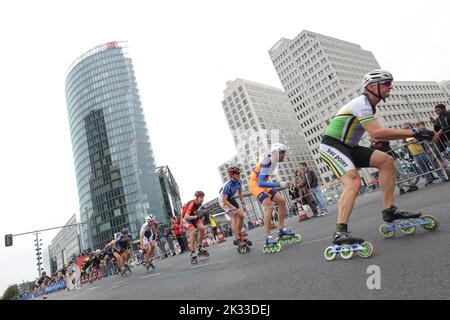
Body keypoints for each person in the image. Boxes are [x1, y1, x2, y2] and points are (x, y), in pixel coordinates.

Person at [319, 69, 436, 244]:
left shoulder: (369, 105)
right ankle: (339, 232)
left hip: (349, 146)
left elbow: (372, 133)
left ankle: (389, 211)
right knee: (353, 181)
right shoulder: (361, 103)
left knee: (386, 161)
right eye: (387, 83)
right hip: (332, 145)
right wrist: (413, 133)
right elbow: (377, 132)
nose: (391, 86)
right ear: (373, 86)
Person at [249, 143, 296, 247]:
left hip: (263, 183)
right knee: (269, 206)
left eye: (284, 153)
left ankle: (282, 229)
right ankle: (267, 236)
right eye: (282, 153)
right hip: (255, 184)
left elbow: (264, 179)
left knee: (282, 201)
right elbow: (260, 183)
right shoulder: (266, 161)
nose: (284, 155)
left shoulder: (273, 161)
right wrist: (279, 184)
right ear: (275, 153)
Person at [218, 166, 249, 250]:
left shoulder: (239, 182)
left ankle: (238, 234)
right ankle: (238, 239)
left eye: (239, 173)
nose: (239, 174)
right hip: (223, 201)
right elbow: (224, 200)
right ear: (233, 175)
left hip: (230, 198)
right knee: (233, 216)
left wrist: (243, 204)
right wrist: (233, 208)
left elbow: (240, 194)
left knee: (242, 216)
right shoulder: (227, 186)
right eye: (237, 173)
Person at [183, 191, 208, 261]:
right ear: (197, 197)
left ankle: (200, 246)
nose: (202, 199)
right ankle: (192, 251)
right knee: (193, 231)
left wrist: (198, 214)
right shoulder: (192, 203)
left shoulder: (199, 203)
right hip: (186, 218)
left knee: (202, 228)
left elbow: (194, 212)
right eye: (200, 197)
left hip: (193, 217)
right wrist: (196, 216)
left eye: (203, 197)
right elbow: (186, 217)